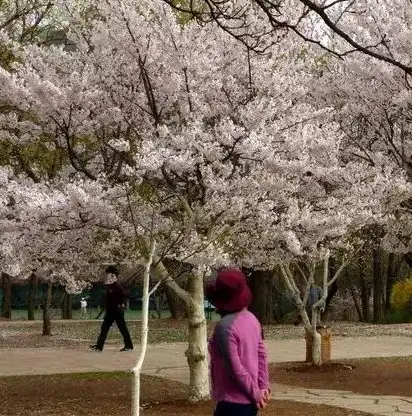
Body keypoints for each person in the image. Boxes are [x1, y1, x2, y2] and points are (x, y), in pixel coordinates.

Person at [206, 268, 271, 416]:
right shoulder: (252, 319)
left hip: (232, 403)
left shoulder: (225, 327)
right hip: (249, 402)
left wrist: (257, 393)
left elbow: (236, 369)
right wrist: (263, 387)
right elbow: (262, 355)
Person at [90, 265, 133, 352]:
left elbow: (124, 294)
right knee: (104, 328)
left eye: (108, 274)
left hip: (117, 311)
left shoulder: (116, 285)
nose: (106, 275)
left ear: (113, 275)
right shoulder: (111, 285)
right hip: (110, 311)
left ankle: (129, 346)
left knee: (122, 328)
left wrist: (121, 304)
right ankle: (99, 346)